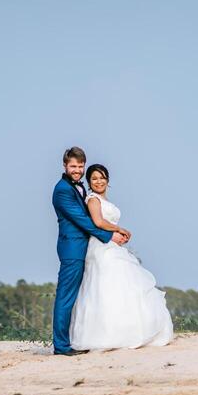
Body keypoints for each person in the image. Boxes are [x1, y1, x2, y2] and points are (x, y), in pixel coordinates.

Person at [70, 164, 173, 351]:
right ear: (89, 182)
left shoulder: (103, 199)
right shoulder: (92, 199)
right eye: (94, 179)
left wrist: (117, 234)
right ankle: (107, 334)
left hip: (111, 243)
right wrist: (119, 229)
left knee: (123, 285)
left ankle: (128, 329)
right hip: (101, 246)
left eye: (101, 177)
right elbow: (98, 222)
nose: (98, 181)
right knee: (105, 287)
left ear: (108, 180)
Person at [51, 147, 129, 355]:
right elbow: (84, 220)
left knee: (84, 296)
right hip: (72, 249)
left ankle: (79, 339)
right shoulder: (62, 190)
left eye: (80, 166)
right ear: (65, 166)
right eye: (73, 166)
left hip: (86, 249)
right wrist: (111, 235)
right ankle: (61, 346)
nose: (77, 170)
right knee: (66, 297)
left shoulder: (80, 188)